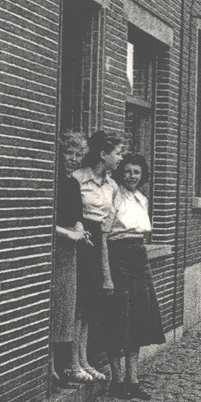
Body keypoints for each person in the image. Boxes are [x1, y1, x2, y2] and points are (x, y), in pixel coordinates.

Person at [99, 153, 165, 400]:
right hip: (118, 258)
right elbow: (103, 237)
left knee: (138, 318)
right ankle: (117, 381)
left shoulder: (142, 200)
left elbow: (142, 235)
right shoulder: (113, 197)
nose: (132, 176)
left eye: (136, 172)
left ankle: (133, 379)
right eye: (127, 171)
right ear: (120, 173)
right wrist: (107, 275)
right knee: (119, 317)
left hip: (139, 258)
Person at [72, 130, 124, 381]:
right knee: (77, 304)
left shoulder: (112, 186)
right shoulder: (79, 178)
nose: (120, 158)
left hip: (98, 241)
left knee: (89, 306)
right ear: (103, 154)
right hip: (79, 238)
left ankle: (83, 359)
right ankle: (72, 362)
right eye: (117, 153)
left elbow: (108, 223)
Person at [53, 131, 91, 387]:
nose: (73, 159)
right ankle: (50, 369)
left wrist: (79, 230)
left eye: (78, 155)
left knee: (66, 310)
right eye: (69, 153)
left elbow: (77, 213)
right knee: (53, 308)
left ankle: (63, 366)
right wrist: (69, 234)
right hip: (53, 250)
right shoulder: (52, 181)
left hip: (69, 253)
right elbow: (46, 221)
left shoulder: (72, 184)